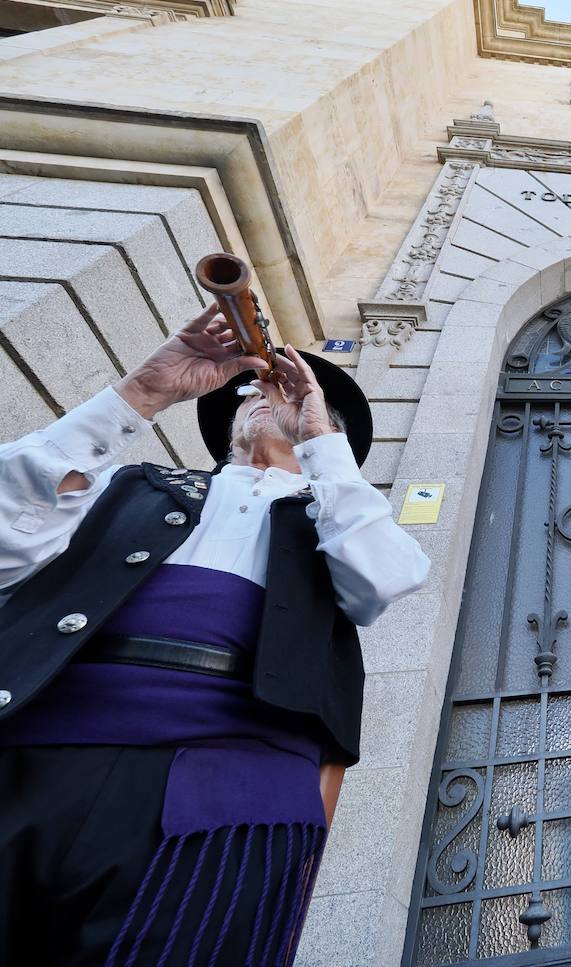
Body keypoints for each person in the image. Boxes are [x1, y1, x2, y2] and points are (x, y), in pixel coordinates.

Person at [0, 305, 431, 965]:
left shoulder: (339, 524)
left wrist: (319, 440)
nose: (265, 398)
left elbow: (388, 575)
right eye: (252, 392)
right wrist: (141, 393)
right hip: (29, 750)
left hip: (221, 795)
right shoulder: (131, 486)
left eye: (288, 393)